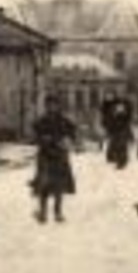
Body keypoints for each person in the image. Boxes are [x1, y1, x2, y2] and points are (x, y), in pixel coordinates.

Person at [31, 94, 77, 224]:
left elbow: (72, 132)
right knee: (43, 185)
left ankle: (58, 213)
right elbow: (36, 135)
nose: (52, 107)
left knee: (59, 187)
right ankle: (43, 212)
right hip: (45, 156)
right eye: (50, 104)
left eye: (55, 104)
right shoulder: (41, 121)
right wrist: (43, 139)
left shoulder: (64, 120)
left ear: (58, 106)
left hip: (59, 156)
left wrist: (67, 140)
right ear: (46, 106)